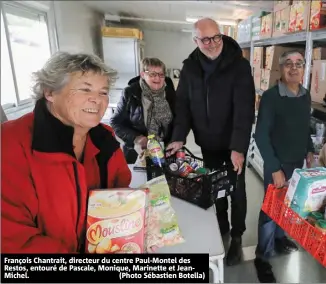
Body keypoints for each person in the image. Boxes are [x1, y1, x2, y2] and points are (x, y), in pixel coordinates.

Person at [1, 52, 132, 253]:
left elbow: (119, 194)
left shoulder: (104, 138)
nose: (96, 100)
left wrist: (133, 231)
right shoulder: (11, 143)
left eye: (103, 92)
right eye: (84, 89)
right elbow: (11, 238)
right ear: (50, 92)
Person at [166, 18, 256, 266]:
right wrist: (178, 137)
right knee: (214, 186)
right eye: (204, 39)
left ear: (222, 35)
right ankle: (222, 223)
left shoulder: (239, 65)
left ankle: (236, 238)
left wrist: (238, 148)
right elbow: (183, 107)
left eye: (216, 37)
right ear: (195, 41)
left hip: (232, 143)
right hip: (207, 141)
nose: (211, 43)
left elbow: (244, 110)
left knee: (237, 190)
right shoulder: (190, 68)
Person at [254, 50, 315, 283]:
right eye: (288, 63)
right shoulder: (271, 97)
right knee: (270, 210)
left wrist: (309, 148)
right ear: (281, 68)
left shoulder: (305, 94)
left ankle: (279, 239)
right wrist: (274, 167)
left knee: (288, 206)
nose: (294, 68)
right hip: (277, 164)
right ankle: (262, 257)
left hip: (297, 162)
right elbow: (261, 135)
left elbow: (304, 126)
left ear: (304, 68)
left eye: (299, 63)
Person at [110, 57, 176, 164]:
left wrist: (176, 139)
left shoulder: (170, 93)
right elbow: (115, 122)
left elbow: (179, 120)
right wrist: (137, 138)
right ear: (142, 75)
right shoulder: (130, 93)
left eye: (161, 74)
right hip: (139, 153)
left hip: (166, 152)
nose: (158, 78)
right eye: (152, 74)